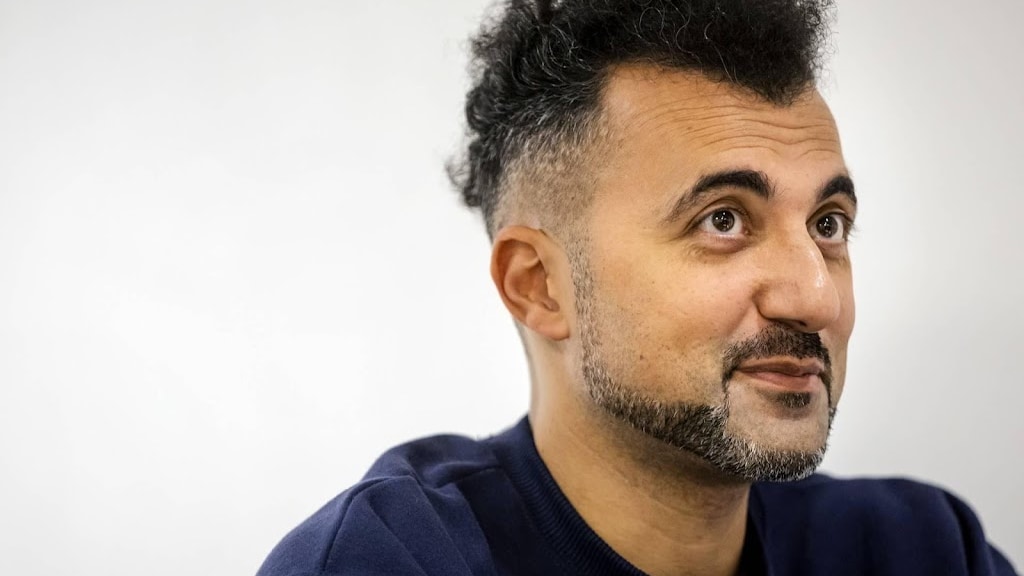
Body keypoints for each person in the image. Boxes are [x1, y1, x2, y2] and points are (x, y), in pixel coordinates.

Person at [257, 1, 1018, 574]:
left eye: (828, 224)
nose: (817, 300)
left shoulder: (921, 549)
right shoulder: (393, 559)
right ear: (539, 286)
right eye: (723, 220)